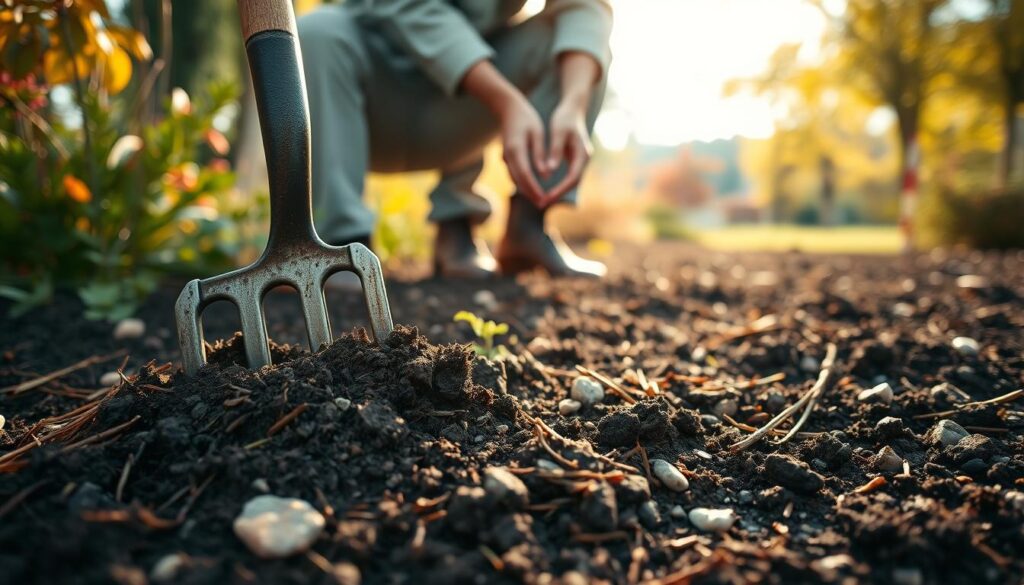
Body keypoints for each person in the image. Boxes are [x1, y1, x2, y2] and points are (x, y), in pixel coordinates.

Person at [297, 0, 612, 278]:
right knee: (316, 31)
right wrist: (507, 101)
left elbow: (586, 7)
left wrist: (573, 102)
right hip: (368, 101)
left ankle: (519, 228)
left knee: (580, 49)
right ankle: (340, 245)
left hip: (457, 112)